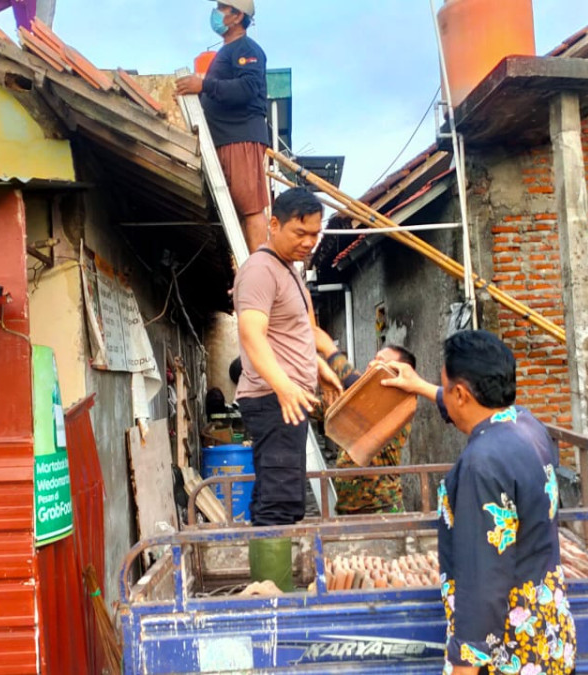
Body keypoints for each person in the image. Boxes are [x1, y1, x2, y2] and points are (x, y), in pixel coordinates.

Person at [382, 330, 576, 675]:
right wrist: (422, 387)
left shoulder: (480, 465)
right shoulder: (527, 426)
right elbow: (465, 407)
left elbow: (482, 577)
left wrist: (464, 665)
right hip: (549, 635)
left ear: (462, 394)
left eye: (447, 387)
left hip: (511, 652)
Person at [233, 187, 341, 528]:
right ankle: (268, 581)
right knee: (277, 502)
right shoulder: (260, 270)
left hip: (288, 398)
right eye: (300, 232)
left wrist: (318, 367)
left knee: (286, 498)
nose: (309, 242)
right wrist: (284, 387)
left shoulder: (288, 270)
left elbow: (295, 333)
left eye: (314, 233)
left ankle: (275, 578)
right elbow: (252, 334)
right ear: (274, 224)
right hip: (272, 399)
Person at [175, 1, 271, 253]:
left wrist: (204, 86)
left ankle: (259, 271)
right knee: (236, 210)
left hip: (240, 137)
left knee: (250, 208)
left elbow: (247, 89)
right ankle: (246, 271)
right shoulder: (225, 52)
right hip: (223, 139)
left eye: (222, 8)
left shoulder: (247, 49)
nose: (216, 14)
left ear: (238, 16)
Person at [314, 333, 417, 515]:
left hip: (381, 508)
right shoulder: (358, 401)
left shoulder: (400, 401)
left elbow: (354, 383)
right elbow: (318, 407)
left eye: (380, 361)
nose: (371, 364)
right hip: (347, 508)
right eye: (373, 359)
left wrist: (331, 353)